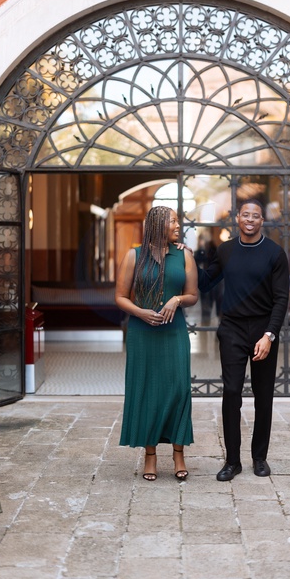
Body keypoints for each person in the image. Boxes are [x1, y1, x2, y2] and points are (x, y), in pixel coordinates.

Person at [197, 199, 289, 481]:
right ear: (237, 218)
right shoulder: (225, 250)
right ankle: (232, 461)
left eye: (255, 216)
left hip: (263, 330)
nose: (250, 219)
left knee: (264, 396)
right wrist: (185, 258)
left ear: (262, 221)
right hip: (233, 329)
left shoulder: (275, 253)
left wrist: (269, 335)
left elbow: (281, 298)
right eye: (245, 215)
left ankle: (259, 458)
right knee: (231, 393)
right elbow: (205, 282)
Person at [116, 205, 198, 481]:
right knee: (148, 390)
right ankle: (150, 455)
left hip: (174, 332)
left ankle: (178, 453)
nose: (178, 225)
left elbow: (193, 295)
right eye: (173, 221)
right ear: (157, 224)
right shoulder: (134, 255)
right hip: (143, 333)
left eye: (177, 220)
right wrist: (140, 312)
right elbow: (120, 297)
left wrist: (177, 299)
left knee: (178, 389)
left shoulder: (184, 255)